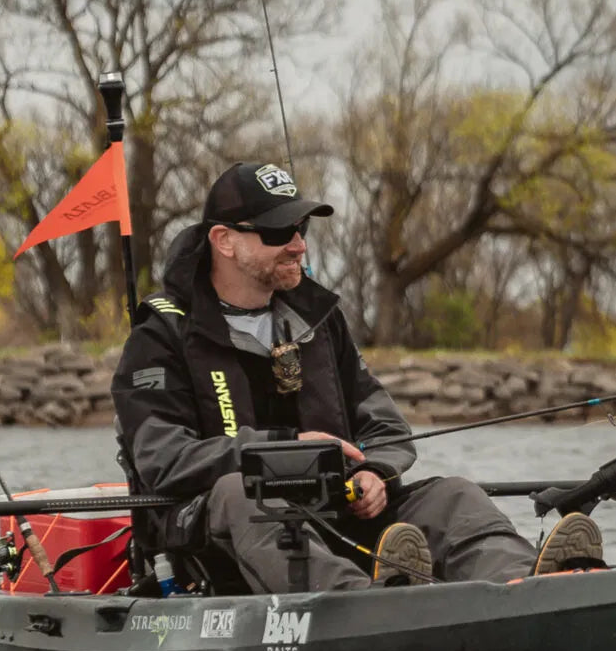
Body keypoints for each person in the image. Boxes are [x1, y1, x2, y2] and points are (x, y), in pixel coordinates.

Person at [111, 161, 604, 593]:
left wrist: (378, 471)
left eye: (301, 228)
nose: (299, 245)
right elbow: (163, 459)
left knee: (452, 494)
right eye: (280, 233)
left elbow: (384, 429)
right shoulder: (160, 335)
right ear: (225, 241)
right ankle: (373, 606)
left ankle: (534, 586)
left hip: (336, 513)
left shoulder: (319, 320)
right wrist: (286, 451)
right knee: (240, 493)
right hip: (217, 532)